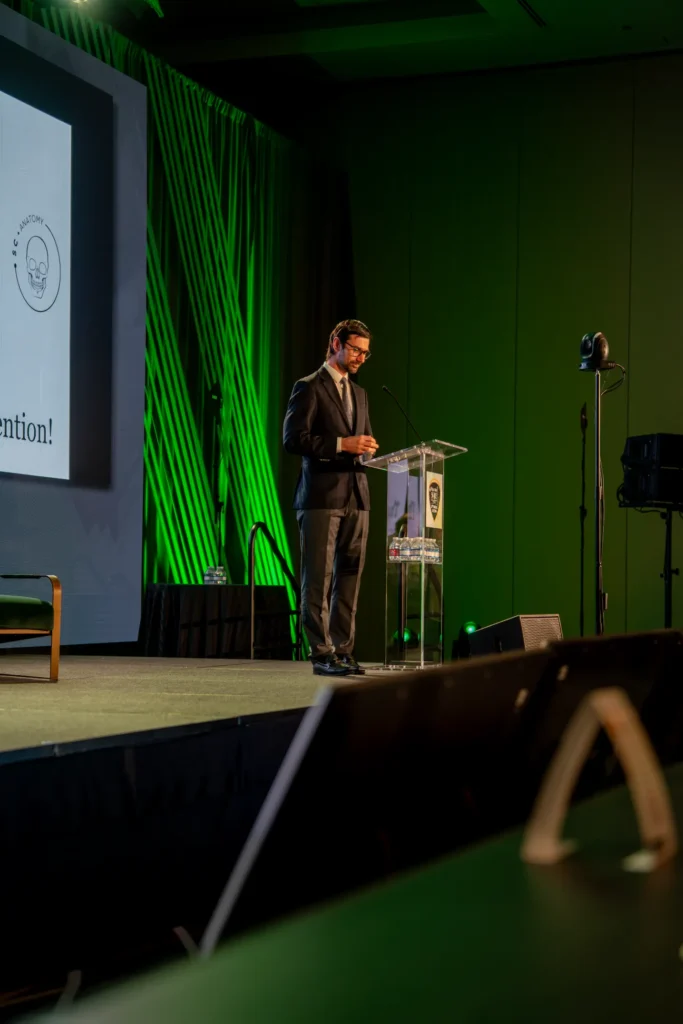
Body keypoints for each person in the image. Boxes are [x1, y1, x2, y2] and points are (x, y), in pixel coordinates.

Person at [283, 319, 379, 677]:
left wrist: (367, 448)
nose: (360, 358)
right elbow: (294, 439)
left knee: (349, 577)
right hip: (321, 497)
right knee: (318, 580)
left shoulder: (361, 394)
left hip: (357, 496)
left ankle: (342, 650)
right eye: (355, 350)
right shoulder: (308, 387)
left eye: (365, 353)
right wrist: (342, 444)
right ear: (336, 344)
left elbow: (363, 439)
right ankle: (321, 652)